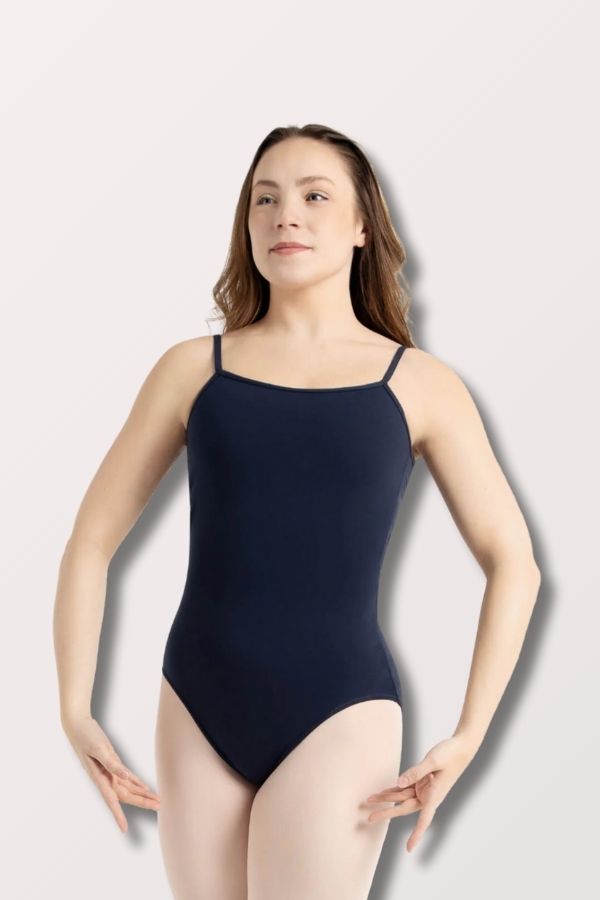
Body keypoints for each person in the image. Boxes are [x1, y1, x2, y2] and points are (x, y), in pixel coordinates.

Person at [53, 123, 541, 899]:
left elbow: (513, 562)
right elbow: (90, 540)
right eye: (266, 198)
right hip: (196, 704)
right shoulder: (192, 370)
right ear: (246, 223)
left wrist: (470, 733)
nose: (286, 214)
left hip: (340, 712)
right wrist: (74, 709)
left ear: (361, 226)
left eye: (315, 196)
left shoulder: (420, 384)